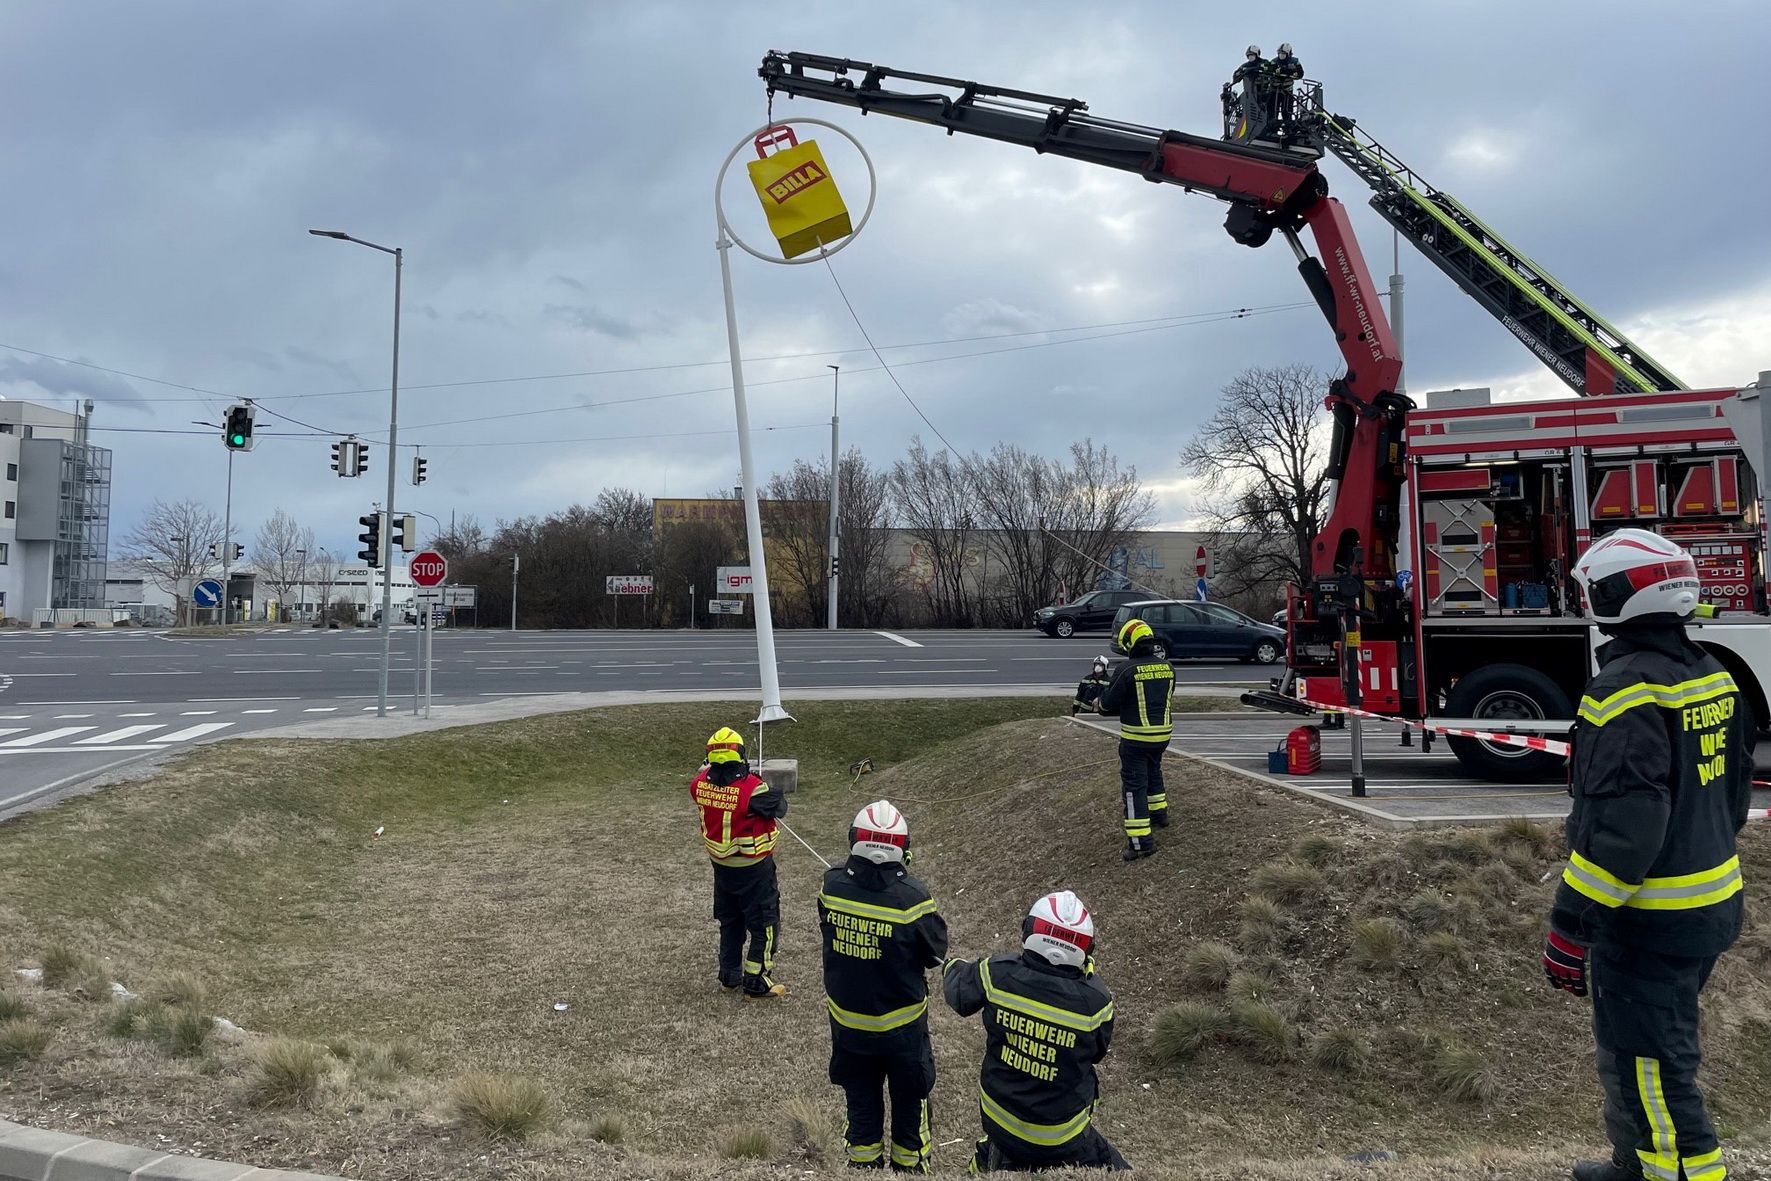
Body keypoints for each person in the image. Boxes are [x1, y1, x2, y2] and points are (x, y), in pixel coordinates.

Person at [1541, 529, 1754, 1181]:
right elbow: (1734, 794)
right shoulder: (1711, 672)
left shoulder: (1623, 689)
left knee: (1653, 1065)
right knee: (1639, 1055)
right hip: (1707, 907)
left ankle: (1678, 1174)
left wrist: (1570, 925)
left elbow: (1623, 832)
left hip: (1649, 922)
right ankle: (1635, 1162)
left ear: (1613, 596)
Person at [943, 891, 1126, 1173]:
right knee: (1120, 1170)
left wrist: (952, 966)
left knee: (1005, 1148)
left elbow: (959, 995)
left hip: (998, 1119)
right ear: (1086, 948)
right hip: (1061, 1137)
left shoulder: (996, 973)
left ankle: (991, 1158)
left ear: (1029, 930)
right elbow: (1097, 1053)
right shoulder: (1096, 1002)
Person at [819, 801, 950, 1171]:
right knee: (910, 1101)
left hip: (849, 1025)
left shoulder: (832, 885)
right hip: (902, 1028)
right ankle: (910, 1169)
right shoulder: (913, 897)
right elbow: (935, 952)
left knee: (861, 1102)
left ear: (854, 840)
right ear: (902, 848)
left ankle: (863, 1169)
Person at [690, 725, 789, 1000]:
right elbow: (779, 807)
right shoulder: (752, 789)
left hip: (721, 869)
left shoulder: (698, 785)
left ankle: (729, 977)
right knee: (764, 924)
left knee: (730, 922)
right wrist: (753, 778)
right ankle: (757, 981)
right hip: (754, 868)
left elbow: (720, 793)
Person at [1099, 618, 1173, 859]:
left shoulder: (1126, 669)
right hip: (1162, 736)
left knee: (1134, 787)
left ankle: (1141, 843)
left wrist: (1099, 702)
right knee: (1154, 771)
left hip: (1136, 738)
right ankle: (1159, 815)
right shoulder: (1168, 667)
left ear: (1129, 644)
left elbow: (1107, 705)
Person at [1270, 43, 1304, 131]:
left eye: (1283, 53)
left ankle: (1287, 128)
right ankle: (1272, 127)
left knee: (1287, 110)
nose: (1281, 55)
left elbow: (1300, 73)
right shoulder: (1274, 62)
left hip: (1288, 91)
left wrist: (1285, 71)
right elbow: (1271, 70)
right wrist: (1289, 72)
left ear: (1288, 54)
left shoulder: (1295, 61)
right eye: (1280, 53)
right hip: (1275, 90)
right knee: (1273, 110)